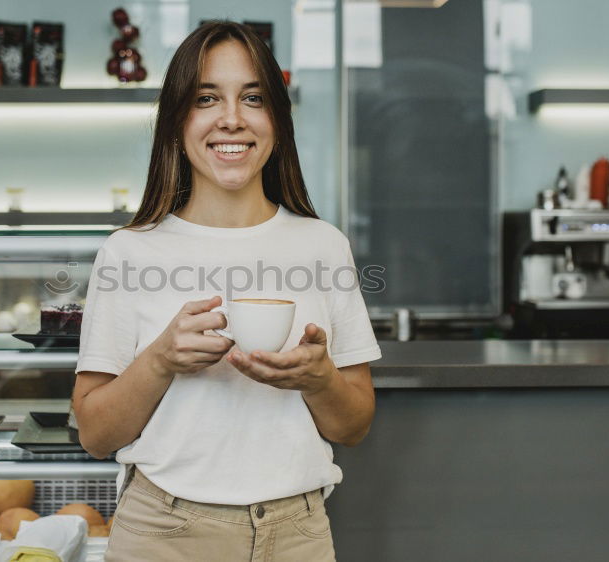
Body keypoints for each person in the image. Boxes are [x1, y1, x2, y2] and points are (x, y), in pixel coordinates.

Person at [73, 21, 380, 562]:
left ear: (278, 122)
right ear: (175, 122)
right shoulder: (129, 253)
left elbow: (353, 425)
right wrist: (161, 359)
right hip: (162, 535)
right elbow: (95, 434)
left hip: (298, 535)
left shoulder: (323, 246)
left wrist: (320, 377)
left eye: (253, 98)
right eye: (206, 98)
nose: (232, 118)